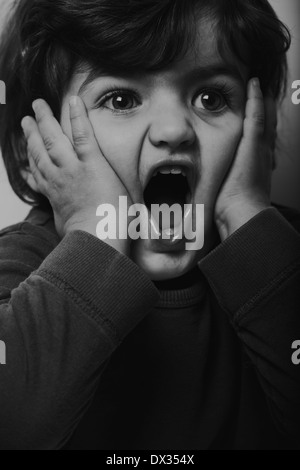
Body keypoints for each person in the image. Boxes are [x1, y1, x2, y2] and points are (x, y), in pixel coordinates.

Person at [0, 0, 299, 450]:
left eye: (211, 98)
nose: (174, 128)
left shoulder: (281, 257)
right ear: (34, 154)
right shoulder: (21, 267)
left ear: (261, 133)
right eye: (121, 99)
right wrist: (96, 227)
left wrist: (246, 214)